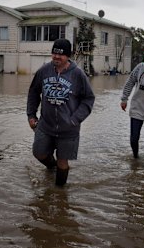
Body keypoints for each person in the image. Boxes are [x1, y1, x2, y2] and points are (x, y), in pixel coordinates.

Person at [27, 38, 95, 186]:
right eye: (54, 53)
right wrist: (31, 115)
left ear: (68, 56)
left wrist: (75, 119)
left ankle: (59, 194)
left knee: (63, 162)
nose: (56, 57)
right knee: (38, 152)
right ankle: (51, 167)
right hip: (45, 125)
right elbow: (33, 92)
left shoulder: (78, 74)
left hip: (69, 128)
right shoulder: (43, 71)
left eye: (61, 54)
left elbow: (88, 99)